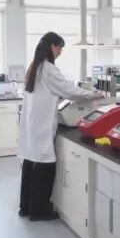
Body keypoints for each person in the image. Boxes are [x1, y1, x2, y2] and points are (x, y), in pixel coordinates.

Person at [18, 32, 102, 220]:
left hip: (33, 124)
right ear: (52, 46)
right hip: (41, 125)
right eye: (59, 48)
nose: (60, 52)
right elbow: (69, 90)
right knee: (45, 167)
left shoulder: (36, 66)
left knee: (30, 163)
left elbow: (57, 91)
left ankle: (26, 207)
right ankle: (39, 211)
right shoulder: (49, 69)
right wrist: (93, 95)